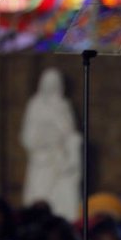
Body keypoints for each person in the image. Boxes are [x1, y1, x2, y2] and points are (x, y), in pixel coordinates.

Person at [20, 67, 82, 222]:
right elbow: (27, 134)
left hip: (59, 156)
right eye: (48, 82)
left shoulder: (63, 105)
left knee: (63, 196)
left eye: (54, 83)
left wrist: (64, 138)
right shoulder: (35, 104)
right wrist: (42, 138)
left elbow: (69, 131)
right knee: (40, 192)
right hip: (41, 156)